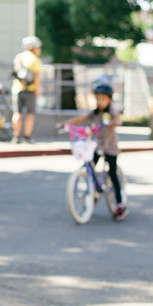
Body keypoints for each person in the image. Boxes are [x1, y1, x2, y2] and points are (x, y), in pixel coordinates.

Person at [62, 75, 127, 220]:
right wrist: (66, 123)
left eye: (103, 99)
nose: (100, 101)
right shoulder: (95, 112)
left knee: (112, 171)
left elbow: (117, 118)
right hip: (97, 145)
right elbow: (80, 119)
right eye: (98, 98)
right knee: (91, 166)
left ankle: (120, 203)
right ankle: (95, 192)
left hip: (110, 146)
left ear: (109, 99)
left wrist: (115, 121)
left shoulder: (111, 111)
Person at [11, 35, 43, 143]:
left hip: (17, 89)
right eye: (38, 47)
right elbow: (37, 77)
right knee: (30, 114)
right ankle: (27, 137)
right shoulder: (35, 60)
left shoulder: (19, 57)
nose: (39, 50)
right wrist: (37, 90)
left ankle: (15, 137)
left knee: (17, 113)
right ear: (33, 48)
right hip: (30, 90)